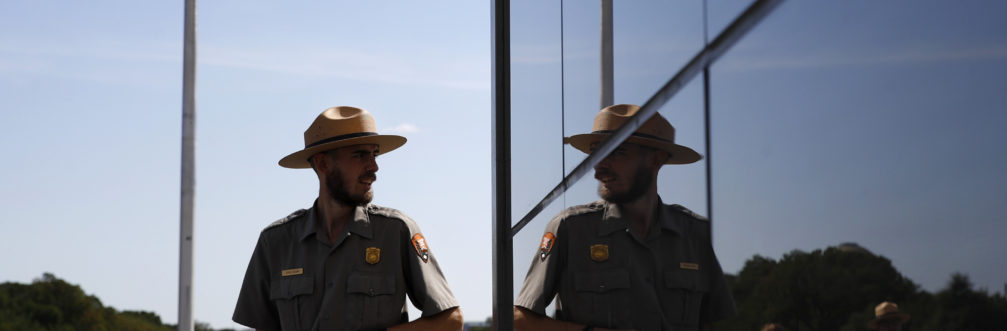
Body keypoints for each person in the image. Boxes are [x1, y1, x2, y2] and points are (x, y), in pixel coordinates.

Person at [233, 106, 462, 331]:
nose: (374, 166)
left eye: (374, 154)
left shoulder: (396, 231)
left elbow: (451, 321)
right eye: (360, 155)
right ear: (323, 164)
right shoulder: (276, 242)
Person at [514, 104, 736, 331]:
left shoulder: (694, 234)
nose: (599, 169)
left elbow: (713, 324)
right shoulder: (570, 229)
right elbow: (519, 321)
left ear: (655, 160)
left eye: (616, 152)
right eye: (596, 153)